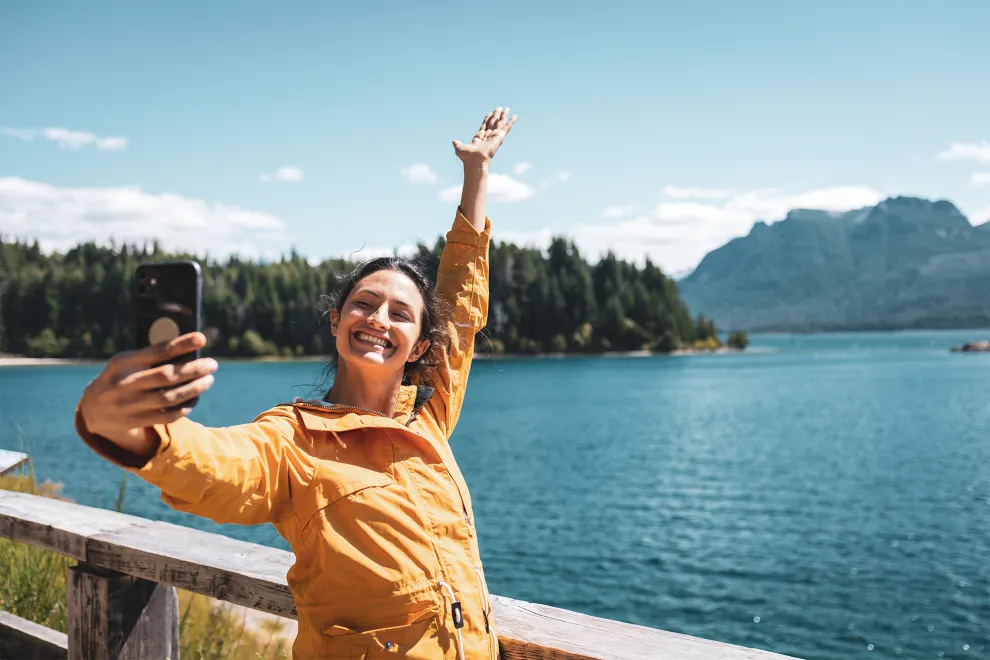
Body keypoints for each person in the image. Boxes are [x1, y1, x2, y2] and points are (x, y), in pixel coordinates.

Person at [75, 107, 518, 660]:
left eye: (401, 314)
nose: (380, 319)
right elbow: (220, 465)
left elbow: (462, 306)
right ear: (337, 323)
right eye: (364, 304)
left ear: (422, 346)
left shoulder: (428, 418)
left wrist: (476, 175)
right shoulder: (296, 440)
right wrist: (131, 429)